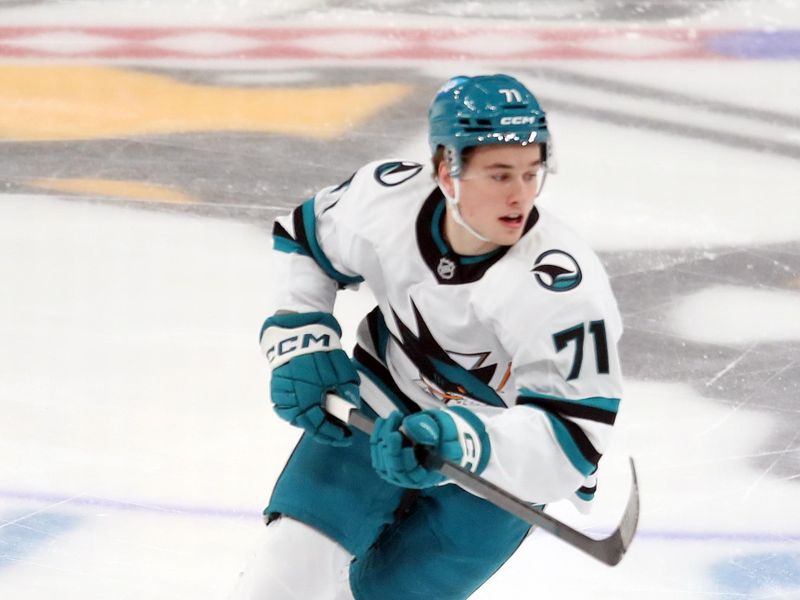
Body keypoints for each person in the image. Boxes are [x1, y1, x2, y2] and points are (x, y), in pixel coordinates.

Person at [232, 74, 624, 600]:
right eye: (499, 174)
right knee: (279, 582)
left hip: (495, 467)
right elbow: (305, 240)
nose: (520, 196)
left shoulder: (561, 286)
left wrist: (464, 442)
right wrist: (302, 335)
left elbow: (574, 440)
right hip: (377, 404)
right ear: (446, 169)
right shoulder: (385, 201)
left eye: (532, 174)